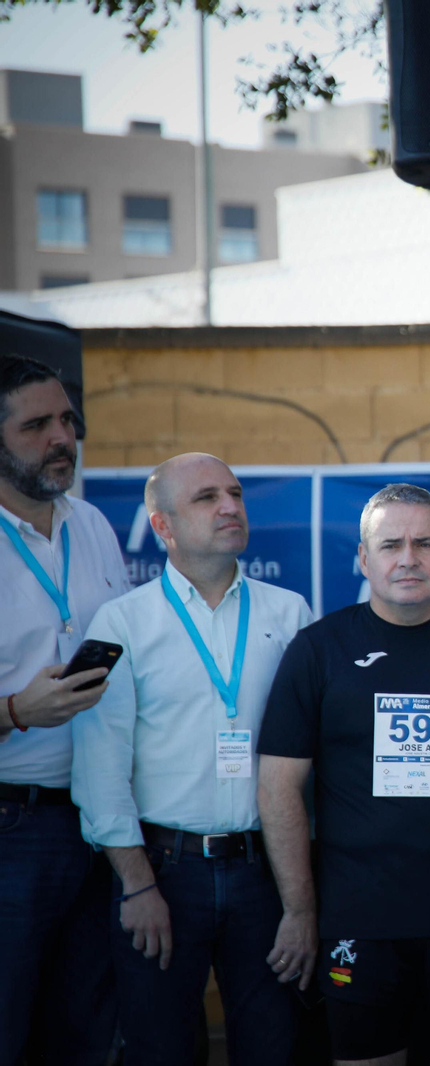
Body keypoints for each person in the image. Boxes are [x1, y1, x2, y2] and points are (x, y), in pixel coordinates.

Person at [256, 483, 430, 1066]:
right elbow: (278, 789)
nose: (408, 558)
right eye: (391, 544)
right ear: (363, 559)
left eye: (425, 543)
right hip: (360, 921)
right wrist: (300, 912)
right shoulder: (318, 650)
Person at [70, 452, 312, 1065]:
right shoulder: (120, 623)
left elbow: (314, 762)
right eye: (207, 498)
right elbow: (101, 769)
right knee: (162, 1049)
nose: (230, 506)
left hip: (266, 872)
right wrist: (135, 884)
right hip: (163, 872)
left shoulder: (290, 615)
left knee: (274, 1048)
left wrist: (302, 898)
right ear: (163, 526)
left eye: (234, 493)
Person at [0, 355, 127, 1066]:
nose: (61, 438)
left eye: (68, 421)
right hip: (11, 829)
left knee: (83, 1037)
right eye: (37, 425)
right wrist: (18, 708)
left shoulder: (95, 525)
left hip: (98, 822)